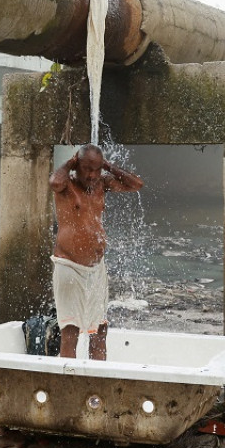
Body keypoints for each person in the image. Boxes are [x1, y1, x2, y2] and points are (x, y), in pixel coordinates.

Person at [49, 143, 143, 359]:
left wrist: (108, 167)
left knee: (100, 331)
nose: (91, 175)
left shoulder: (102, 184)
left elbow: (136, 184)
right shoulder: (67, 186)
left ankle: (95, 386)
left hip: (96, 270)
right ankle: (68, 387)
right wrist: (70, 163)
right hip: (69, 266)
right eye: (86, 168)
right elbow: (55, 181)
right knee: (70, 332)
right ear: (76, 165)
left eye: (96, 169)